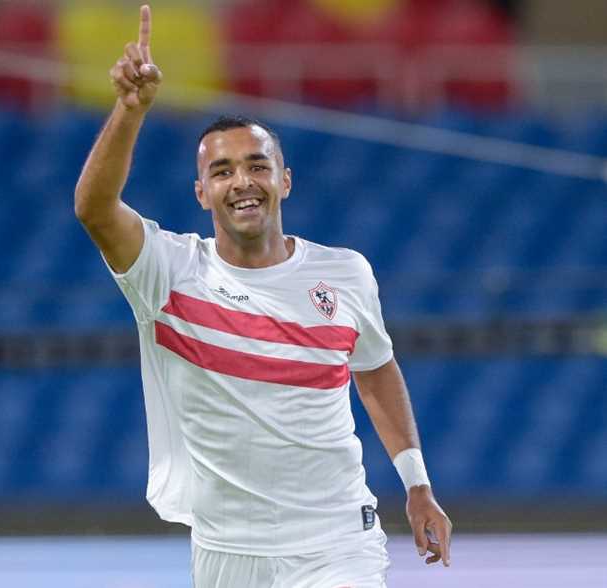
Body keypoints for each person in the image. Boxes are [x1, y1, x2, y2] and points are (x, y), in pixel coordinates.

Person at [74, 5, 452, 587]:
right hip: (226, 550)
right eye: (222, 171)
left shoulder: (346, 273)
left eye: (257, 165)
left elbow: (376, 372)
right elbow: (95, 210)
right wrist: (129, 109)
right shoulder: (168, 272)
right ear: (201, 193)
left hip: (336, 543)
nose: (242, 182)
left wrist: (417, 485)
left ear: (285, 180)